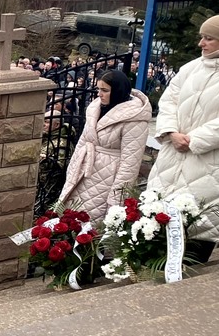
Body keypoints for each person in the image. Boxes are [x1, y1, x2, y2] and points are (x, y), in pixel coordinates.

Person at [148, 13, 219, 262]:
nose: (201, 43)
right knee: (156, 230)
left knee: (198, 235)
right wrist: (171, 132)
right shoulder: (190, 69)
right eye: (201, 37)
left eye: (209, 38)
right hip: (172, 160)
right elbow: (168, 101)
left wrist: (193, 140)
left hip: (214, 165)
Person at [57, 70, 151, 222]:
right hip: (83, 171)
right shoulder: (95, 108)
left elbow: (130, 163)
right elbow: (83, 140)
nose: (99, 94)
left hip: (107, 178)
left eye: (105, 90)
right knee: (67, 221)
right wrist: (72, 169)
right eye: (98, 89)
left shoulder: (135, 118)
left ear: (118, 91)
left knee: (89, 226)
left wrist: (117, 200)